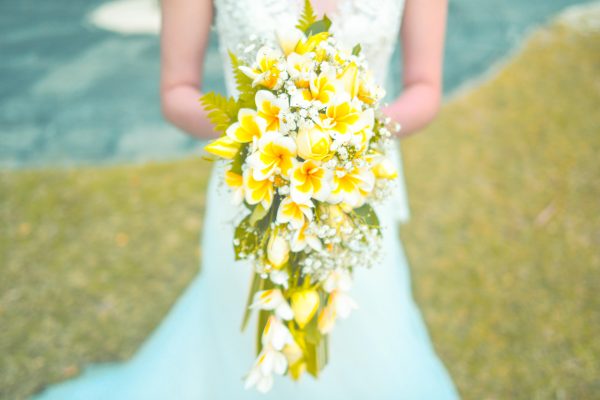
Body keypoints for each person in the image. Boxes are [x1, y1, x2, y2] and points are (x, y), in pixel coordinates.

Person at [31, 0, 459, 398]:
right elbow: (177, 90)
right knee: (248, 332)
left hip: (357, 188)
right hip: (251, 188)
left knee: (364, 330)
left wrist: (345, 137)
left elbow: (424, 87)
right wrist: (260, 131)